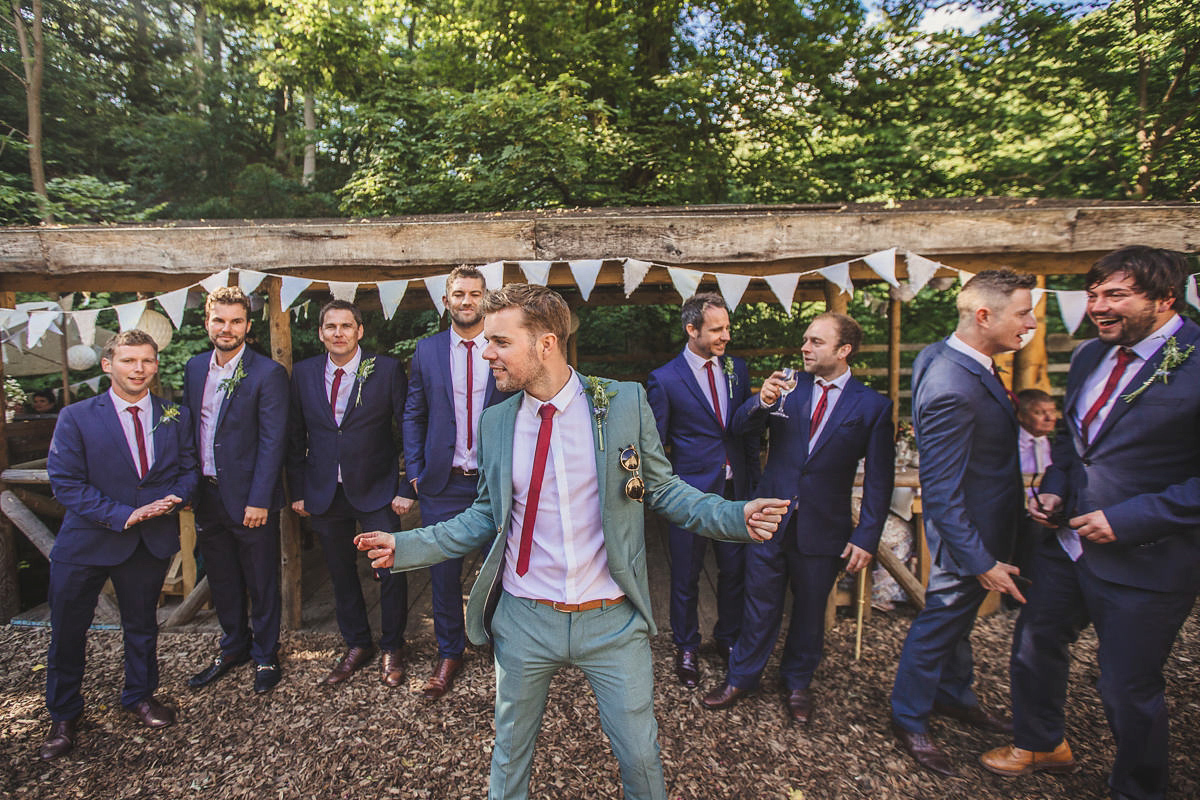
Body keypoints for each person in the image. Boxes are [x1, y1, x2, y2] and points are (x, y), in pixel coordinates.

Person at [356, 284, 788, 800]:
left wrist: (736, 516)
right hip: (523, 619)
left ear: (546, 343)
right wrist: (405, 547)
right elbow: (483, 517)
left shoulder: (622, 402)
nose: (485, 351)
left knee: (641, 756)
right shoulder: (496, 422)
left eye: (499, 341)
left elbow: (665, 490)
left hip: (611, 620)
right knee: (510, 752)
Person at [981, 246, 1200, 800]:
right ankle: (1040, 741)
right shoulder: (1087, 357)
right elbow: (1071, 446)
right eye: (1095, 293)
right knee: (1035, 641)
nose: (1099, 306)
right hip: (1066, 543)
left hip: (1148, 554)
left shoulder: (1196, 360)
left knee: (1128, 684)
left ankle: (1140, 787)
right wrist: (1053, 491)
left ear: (1165, 299)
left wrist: (1128, 519)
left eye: (1116, 295)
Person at [702, 312, 894, 724]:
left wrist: (867, 536)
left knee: (809, 611)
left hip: (825, 526)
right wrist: (761, 401)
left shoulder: (873, 406)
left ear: (843, 351)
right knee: (759, 604)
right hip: (770, 517)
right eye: (805, 339)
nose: (805, 348)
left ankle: (797, 683)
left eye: (816, 342)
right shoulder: (787, 385)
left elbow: (880, 478)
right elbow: (738, 427)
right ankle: (741, 677)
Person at [890, 268, 1037, 776]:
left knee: (954, 622)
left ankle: (953, 695)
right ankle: (908, 716)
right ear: (983, 315)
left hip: (982, 527)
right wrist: (982, 560)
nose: (1031, 322)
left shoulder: (940, 353)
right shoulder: (953, 384)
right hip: (968, 537)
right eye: (1023, 312)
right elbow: (943, 491)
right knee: (937, 624)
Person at [40, 330, 198, 760]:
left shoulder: (175, 415)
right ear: (108, 364)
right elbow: (66, 483)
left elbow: (189, 469)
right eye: (130, 360)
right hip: (87, 541)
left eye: (147, 361)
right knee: (68, 632)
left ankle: (141, 696)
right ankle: (65, 714)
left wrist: (177, 497)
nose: (139, 369)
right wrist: (122, 514)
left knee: (143, 627)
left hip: (147, 542)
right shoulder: (76, 416)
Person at [287, 300, 415, 687]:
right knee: (340, 573)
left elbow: (408, 426)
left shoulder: (388, 370)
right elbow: (294, 435)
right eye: (330, 326)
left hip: (377, 487)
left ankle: (393, 645)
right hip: (325, 491)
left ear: (360, 330)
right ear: (321, 332)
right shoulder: (304, 373)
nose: (338, 333)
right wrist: (298, 490)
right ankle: (357, 643)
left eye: (346, 325)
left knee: (390, 569)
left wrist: (405, 485)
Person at [403, 266, 513, 699]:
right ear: (445, 301)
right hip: (442, 482)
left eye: (474, 294)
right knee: (443, 573)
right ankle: (449, 651)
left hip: (494, 482)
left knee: (501, 569)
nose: (466, 301)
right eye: (458, 294)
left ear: (484, 300)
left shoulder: (503, 346)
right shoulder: (427, 350)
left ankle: (503, 645)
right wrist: (415, 469)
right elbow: (414, 412)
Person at [646, 292, 760, 687]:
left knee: (733, 570)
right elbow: (656, 445)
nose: (726, 335)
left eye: (727, 327)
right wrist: (665, 494)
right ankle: (687, 646)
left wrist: (753, 483)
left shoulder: (737, 370)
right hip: (691, 496)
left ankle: (726, 639)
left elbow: (743, 431)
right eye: (717, 329)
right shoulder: (664, 379)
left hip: (734, 492)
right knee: (686, 574)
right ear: (691, 329)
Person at [183, 286, 289, 695]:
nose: (227, 329)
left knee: (261, 580)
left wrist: (260, 498)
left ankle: (265, 652)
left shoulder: (267, 373)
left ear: (248, 324)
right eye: (219, 320)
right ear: (207, 322)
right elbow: (190, 431)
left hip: (250, 498)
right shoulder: (194, 369)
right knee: (222, 576)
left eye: (235, 321)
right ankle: (232, 646)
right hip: (206, 494)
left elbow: (273, 441)